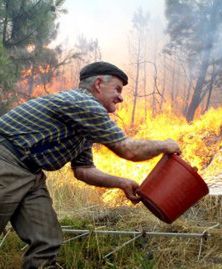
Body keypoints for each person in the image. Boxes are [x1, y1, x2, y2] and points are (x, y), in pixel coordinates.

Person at [0, 61, 180, 268]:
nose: (121, 97)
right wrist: (164, 145)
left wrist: (121, 182)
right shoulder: (84, 103)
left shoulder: (84, 123)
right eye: (118, 89)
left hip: (31, 173)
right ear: (98, 83)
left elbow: (83, 170)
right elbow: (128, 149)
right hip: (6, 161)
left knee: (46, 241)